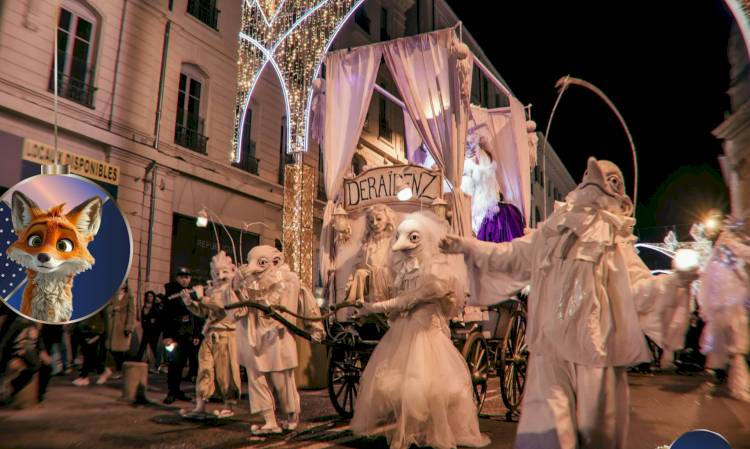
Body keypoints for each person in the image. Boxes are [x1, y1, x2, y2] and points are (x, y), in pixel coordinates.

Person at [441, 157, 698, 449]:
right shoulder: (552, 231)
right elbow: (510, 255)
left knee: (598, 433)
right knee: (549, 432)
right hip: (550, 347)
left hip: (595, 348)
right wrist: (467, 246)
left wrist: (676, 282)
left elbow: (640, 289)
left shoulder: (614, 241)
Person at [352, 211, 489, 449]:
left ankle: (430, 433)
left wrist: (372, 307)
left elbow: (409, 299)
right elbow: (402, 301)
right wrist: (386, 312)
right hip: (406, 330)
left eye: (413, 239)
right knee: (402, 385)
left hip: (426, 333)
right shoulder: (405, 268)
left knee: (426, 386)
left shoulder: (436, 272)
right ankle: (410, 432)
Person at [234, 246, 324, 434]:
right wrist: (238, 284)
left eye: (262, 263)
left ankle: (291, 414)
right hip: (253, 335)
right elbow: (238, 307)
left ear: (275, 262)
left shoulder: (290, 281)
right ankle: (269, 419)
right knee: (256, 378)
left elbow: (308, 304)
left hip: (278, 336)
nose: (255, 268)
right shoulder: (248, 282)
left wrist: (316, 327)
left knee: (282, 379)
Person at [179, 251, 241, 418]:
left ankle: (229, 405)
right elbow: (203, 312)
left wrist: (202, 297)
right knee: (204, 369)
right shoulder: (212, 290)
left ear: (232, 271)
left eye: (225, 272)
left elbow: (222, 309)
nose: (220, 276)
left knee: (225, 372)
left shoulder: (232, 291)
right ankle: (201, 404)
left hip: (225, 335)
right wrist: (190, 303)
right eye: (217, 272)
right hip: (209, 334)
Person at [697, 217, 750, 402]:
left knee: (734, 336)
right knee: (736, 337)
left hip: (733, 299)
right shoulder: (730, 241)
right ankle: (736, 381)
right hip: (732, 299)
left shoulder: (730, 241)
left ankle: (728, 374)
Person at [0, 303, 52, 404]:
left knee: (47, 366)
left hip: (30, 345)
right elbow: (5, 339)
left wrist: (42, 350)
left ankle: (40, 395)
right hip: (17, 346)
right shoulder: (18, 317)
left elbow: (38, 335)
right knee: (35, 366)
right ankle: (9, 391)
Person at [162, 267, 197, 404]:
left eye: (187, 277)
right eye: (182, 276)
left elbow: (196, 315)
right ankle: (172, 391)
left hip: (188, 335)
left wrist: (197, 335)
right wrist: (167, 336)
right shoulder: (171, 292)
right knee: (174, 364)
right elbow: (165, 317)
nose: (185, 279)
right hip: (175, 335)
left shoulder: (193, 293)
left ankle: (177, 391)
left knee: (183, 365)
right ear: (177, 278)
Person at [72, 309, 111, 386]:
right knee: (87, 354)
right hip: (85, 329)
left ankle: (85, 376)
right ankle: (100, 372)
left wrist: (103, 333)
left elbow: (105, 319)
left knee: (90, 354)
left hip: (95, 331)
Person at [106, 283, 136, 379]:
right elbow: (107, 308)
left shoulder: (129, 296)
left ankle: (121, 370)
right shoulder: (112, 294)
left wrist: (129, 326)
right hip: (112, 325)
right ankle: (117, 369)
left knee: (121, 349)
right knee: (111, 349)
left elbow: (131, 312)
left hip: (122, 326)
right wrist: (113, 308)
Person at [136, 291, 162, 372]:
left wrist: (154, 321)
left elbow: (159, 318)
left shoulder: (156, 306)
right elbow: (143, 317)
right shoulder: (144, 306)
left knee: (153, 347)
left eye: (151, 296)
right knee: (142, 346)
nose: (149, 298)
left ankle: (158, 365)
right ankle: (136, 363)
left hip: (154, 331)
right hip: (146, 329)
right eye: (148, 296)